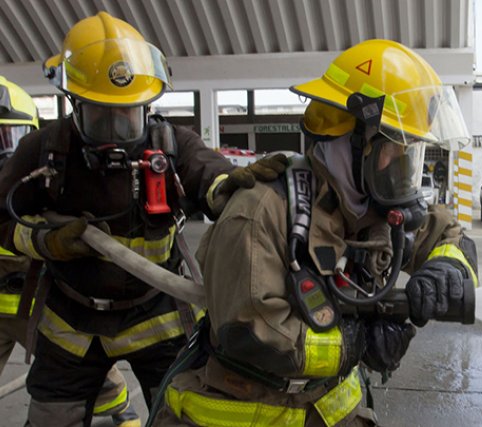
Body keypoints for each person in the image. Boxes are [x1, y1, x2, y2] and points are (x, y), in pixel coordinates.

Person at [149, 39, 479, 426]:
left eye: (411, 152)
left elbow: (447, 234)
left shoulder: (371, 206)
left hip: (327, 408)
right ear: (350, 140)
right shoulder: (260, 211)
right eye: (395, 148)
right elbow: (253, 334)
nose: (402, 165)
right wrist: (357, 344)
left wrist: (448, 269)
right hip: (240, 412)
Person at [0, 13, 286, 426]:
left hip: (156, 318)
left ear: (147, 109)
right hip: (70, 324)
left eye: (129, 116)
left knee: (185, 412)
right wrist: (44, 242)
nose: (117, 132)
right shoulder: (44, 153)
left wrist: (230, 190)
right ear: (75, 106)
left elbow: (210, 174)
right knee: (50, 418)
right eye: (102, 118)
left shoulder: (170, 147)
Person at [0, 75, 142, 426]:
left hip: (30, 303)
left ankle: (123, 411)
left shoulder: (35, 185)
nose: (3, 152)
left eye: (7, 138)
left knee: (90, 376)